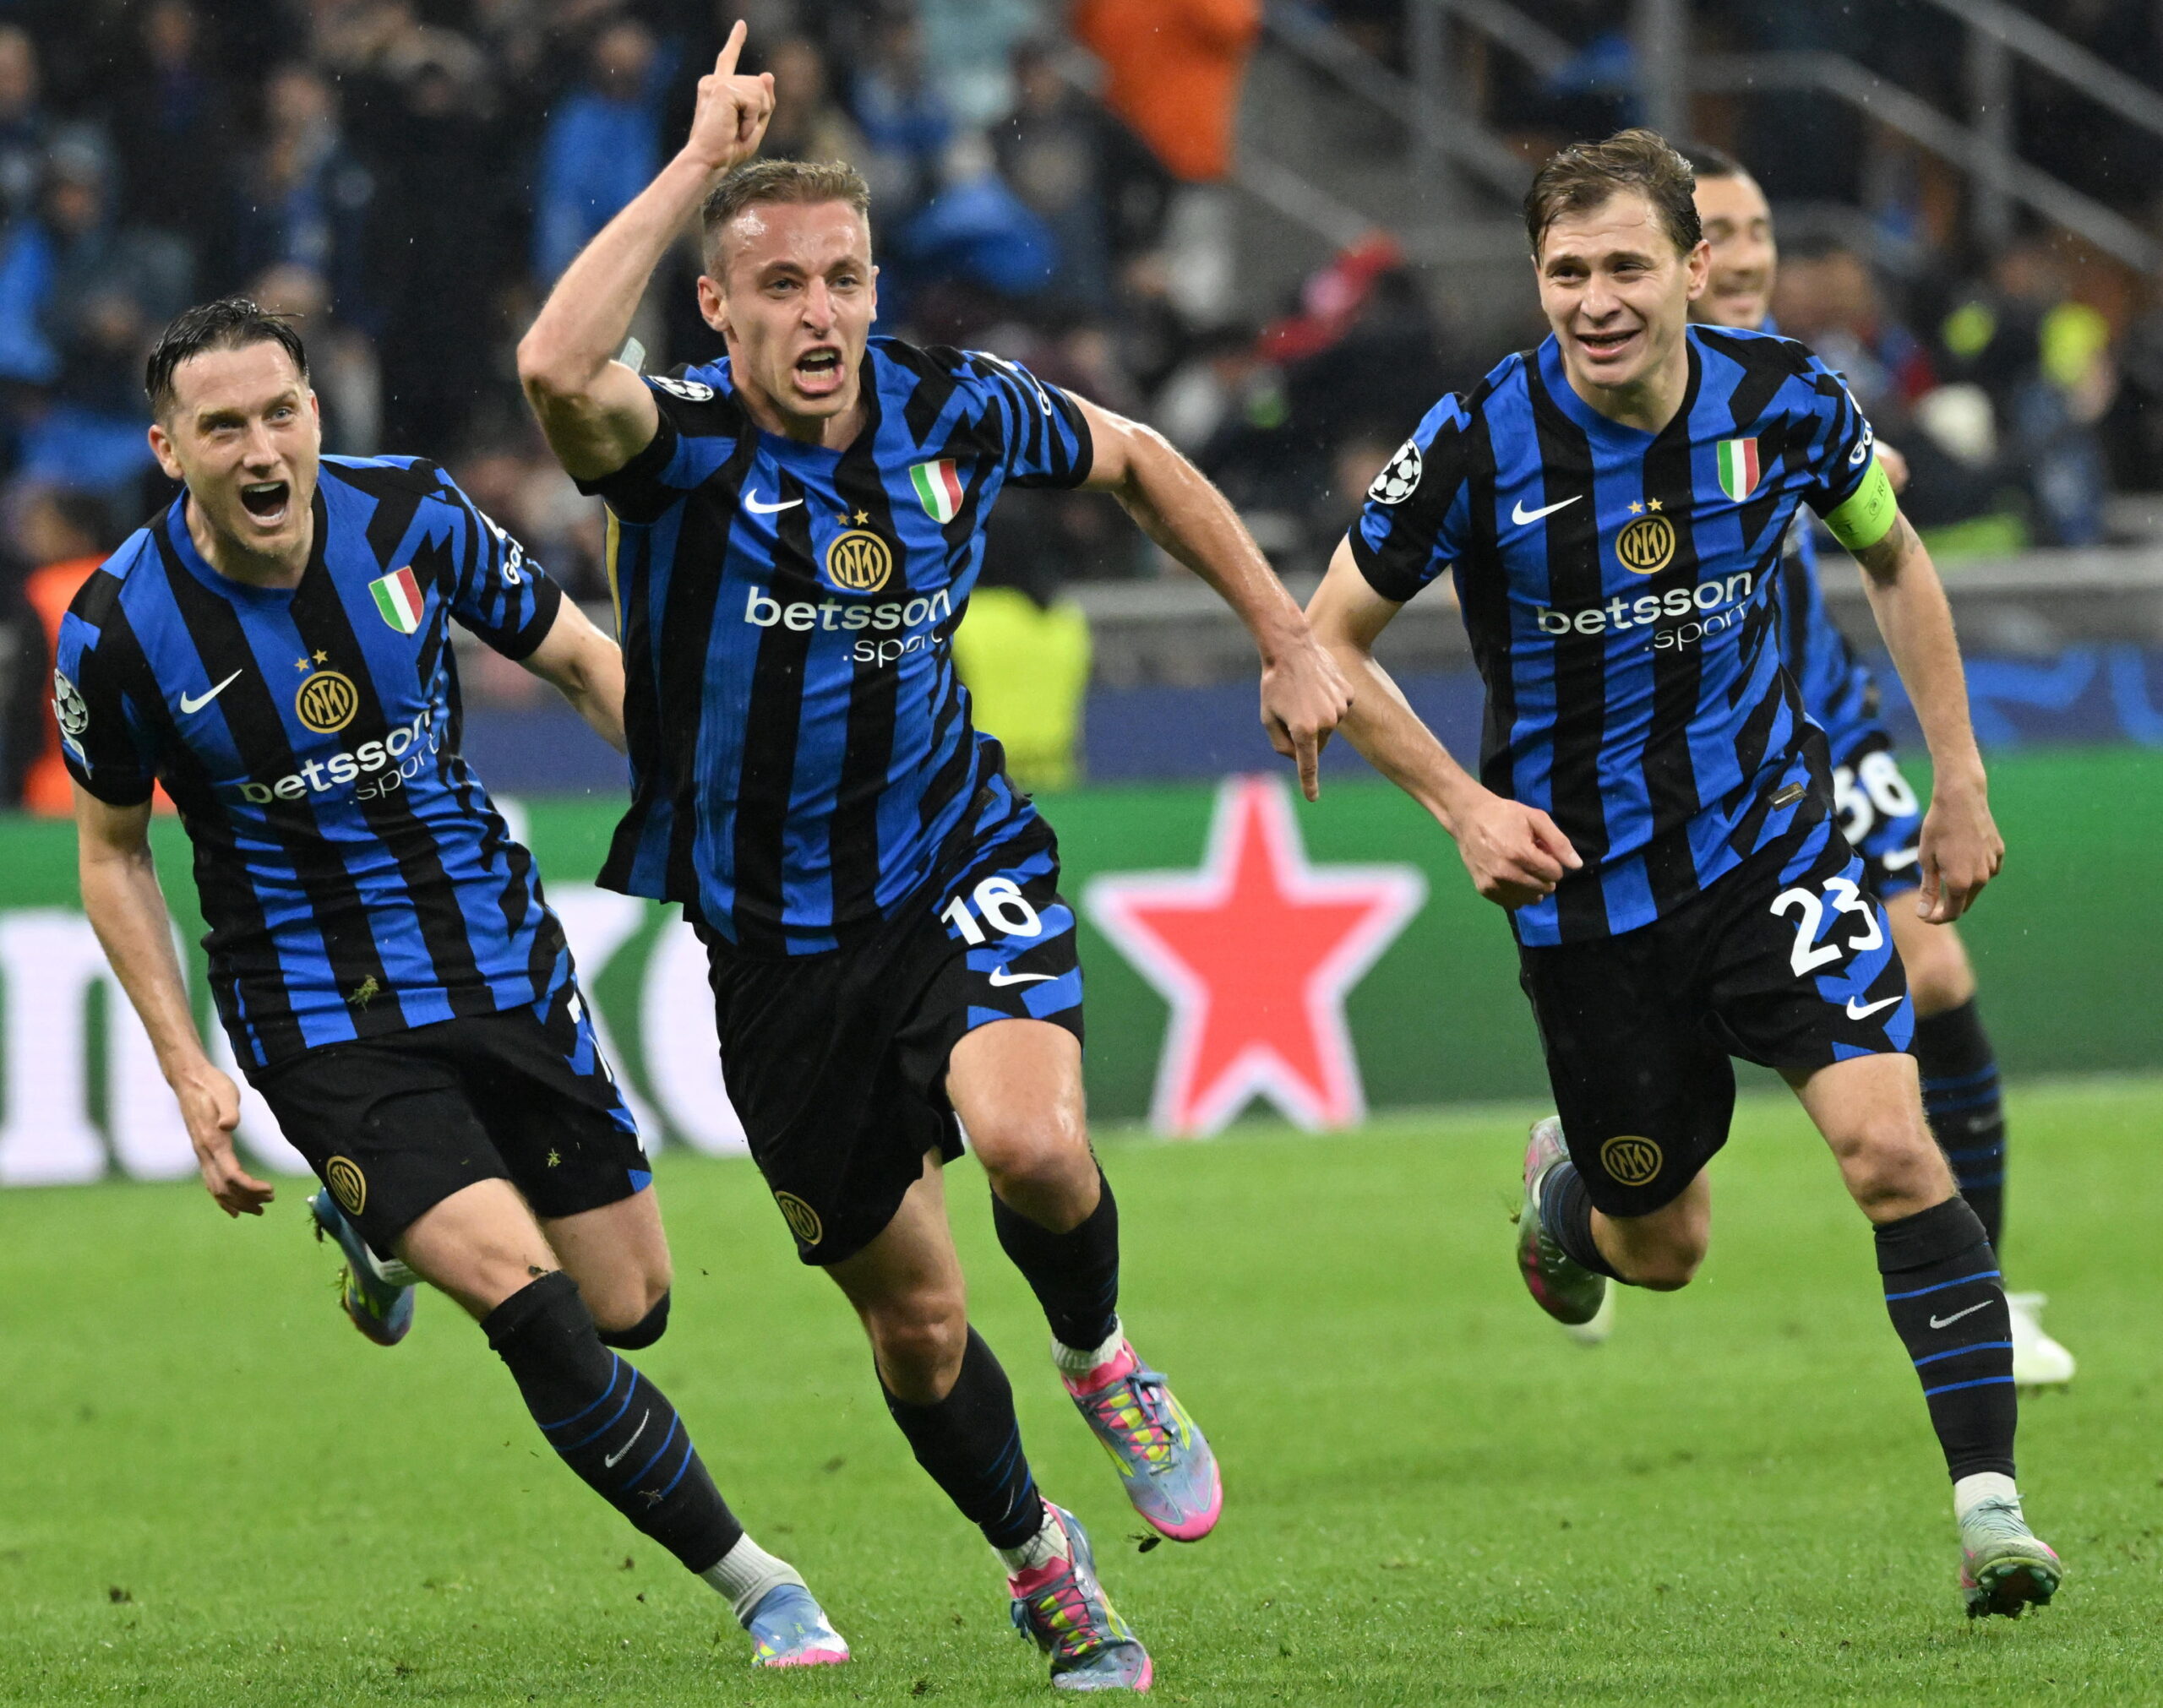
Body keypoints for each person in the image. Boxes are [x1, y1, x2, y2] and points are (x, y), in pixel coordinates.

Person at [516, 25, 1351, 1690]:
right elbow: (551, 371)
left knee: (1032, 1143)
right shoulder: (672, 455)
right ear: (718, 310)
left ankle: (1104, 1357)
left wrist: (1281, 630)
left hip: (950, 856)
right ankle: (1042, 1562)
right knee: (912, 1324)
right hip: (772, 948)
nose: (818, 313)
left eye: (843, 277)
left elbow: (1137, 462)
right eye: (780, 287)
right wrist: (695, 165)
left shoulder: (954, 409)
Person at [1302, 129, 2062, 1620]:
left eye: (1628, 265)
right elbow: (1325, 636)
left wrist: (1956, 776)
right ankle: (1569, 1195)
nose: (1597, 298)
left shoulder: (1784, 400)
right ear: (1538, 281)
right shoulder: (1469, 441)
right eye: (1567, 271)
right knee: (1664, 1246)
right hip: (1585, 901)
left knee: (1891, 1152)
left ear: (1692, 269)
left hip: (1768, 847)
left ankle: (1992, 1513)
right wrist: (1460, 804)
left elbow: (1894, 555)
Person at [55, 297, 848, 1672]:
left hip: (493, 951)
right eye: (223, 425)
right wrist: (189, 1064)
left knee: (630, 1304)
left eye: (280, 412)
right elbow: (114, 856)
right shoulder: (118, 630)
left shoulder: (412, 515)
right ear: (169, 449)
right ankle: (760, 1581)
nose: (261, 447)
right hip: (316, 1011)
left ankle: (379, 1236)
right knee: (528, 1303)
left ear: (318, 413)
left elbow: (584, 660)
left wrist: (704, 822)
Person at [1685, 143, 2073, 1387]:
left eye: (1757, 231)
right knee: (1668, 1084)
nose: (1745, 255)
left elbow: (1886, 527)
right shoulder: (1617, 395)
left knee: (1940, 972)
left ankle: (1990, 1298)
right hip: (1687, 753)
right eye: (1718, 233)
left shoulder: (1804, 381)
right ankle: (1590, 1179)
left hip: (1827, 727)